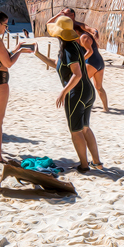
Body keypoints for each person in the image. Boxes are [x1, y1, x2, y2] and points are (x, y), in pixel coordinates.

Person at [37, 12, 100, 172]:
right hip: (88, 92)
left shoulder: (68, 49)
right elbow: (56, 64)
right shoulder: (73, 46)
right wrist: (37, 53)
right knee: (85, 128)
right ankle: (97, 162)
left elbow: (77, 74)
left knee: (75, 131)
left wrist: (63, 92)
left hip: (76, 93)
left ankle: (84, 165)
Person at [0, 10, 34, 162]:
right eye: (5, 25)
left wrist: (15, 48)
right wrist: (21, 51)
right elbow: (8, 63)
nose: (6, 28)